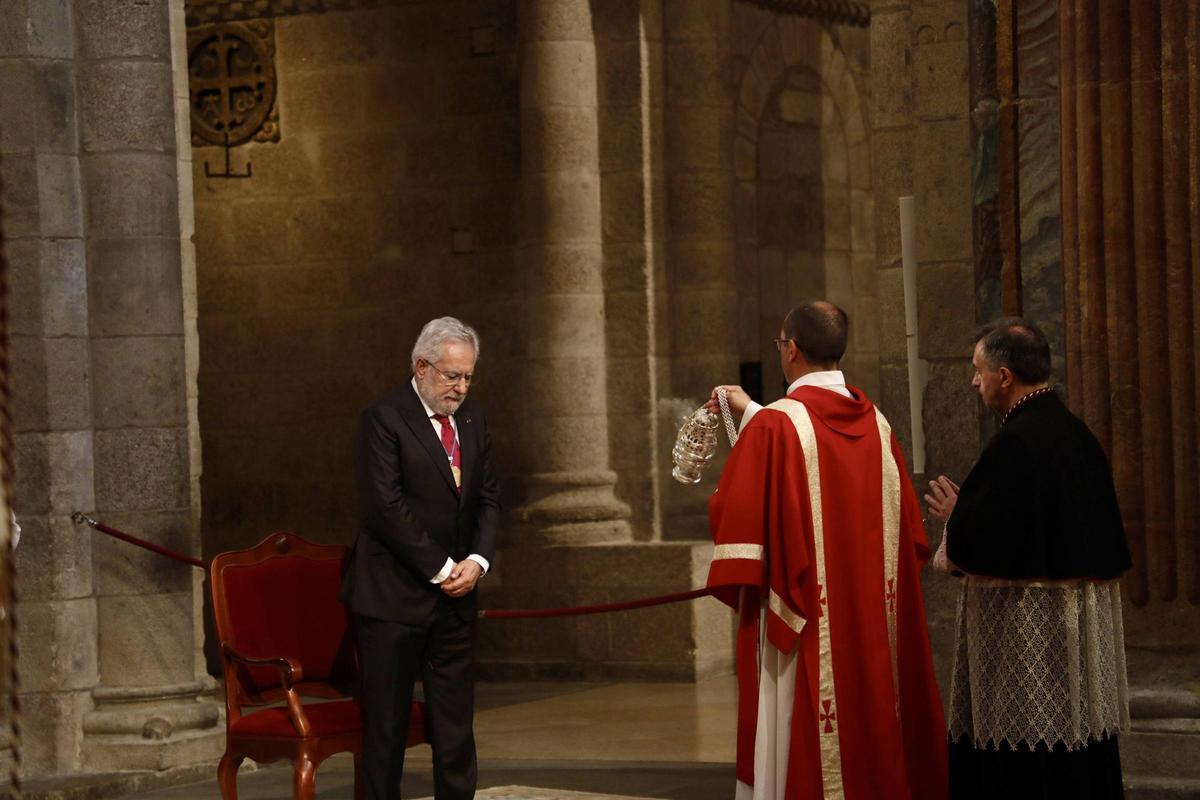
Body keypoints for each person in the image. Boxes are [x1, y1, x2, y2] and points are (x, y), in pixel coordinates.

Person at [705, 301, 948, 800]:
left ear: (791, 349)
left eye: (779, 343)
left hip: (804, 626)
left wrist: (751, 423)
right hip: (870, 626)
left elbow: (746, 504)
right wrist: (752, 411)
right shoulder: (876, 424)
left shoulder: (776, 426)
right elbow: (898, 529)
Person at [924, 318, 1131, 800]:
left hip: (1027, 648)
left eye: (978, 371)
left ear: (1004, 375)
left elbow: (996, 542)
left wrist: (958, 518)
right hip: (1072, 643)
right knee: (1076, 756)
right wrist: (972, 512)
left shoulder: (1016, 442)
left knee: (1028, 767)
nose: (974, 382)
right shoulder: (1075, 432)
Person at [340, 316, 500, 800]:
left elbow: (488, 497)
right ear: (422, 366)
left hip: (455, 601)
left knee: (455, 732)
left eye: (468, 376)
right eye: (452, 375)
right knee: (385, 733)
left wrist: (477, 560)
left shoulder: (473, 420)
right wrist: (442, 568)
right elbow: (386, 508)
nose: (461, 387)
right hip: (393, 599)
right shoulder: (384, 418)